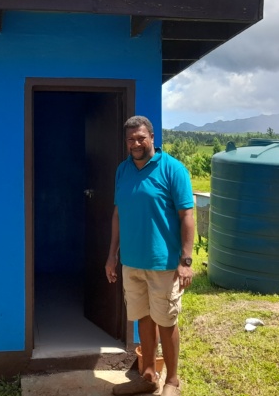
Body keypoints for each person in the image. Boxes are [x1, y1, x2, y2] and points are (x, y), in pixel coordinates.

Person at [106, 115, 195, 396]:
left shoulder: (173, 169)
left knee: (166, 322)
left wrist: (186, 261)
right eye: (131, 139)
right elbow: (118, 214)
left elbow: (187, 215)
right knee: (143, 318)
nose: (136, 143)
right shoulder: (123, 170)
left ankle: (173, 381)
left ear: (152, 138)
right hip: (132, 263)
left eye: (141, 138)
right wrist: (112, 256)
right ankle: (149, 374)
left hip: (164, 264)